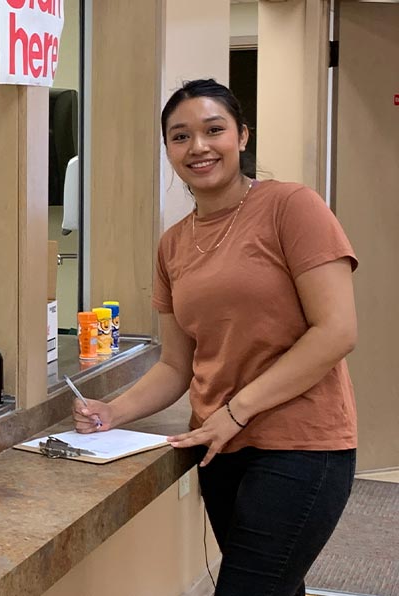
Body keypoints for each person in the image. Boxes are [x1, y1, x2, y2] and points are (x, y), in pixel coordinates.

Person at [74, 79, 358, 596]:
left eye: (213, 130)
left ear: (242, 136)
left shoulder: (291, 206)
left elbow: (336, 331)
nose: (198, 147)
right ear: (168, 151)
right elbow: (175, 367)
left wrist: (237, 409)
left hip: (300, 444)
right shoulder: (173, 244)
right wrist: (112, 412)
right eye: (180, 137)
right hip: (218, 448)